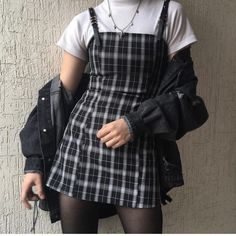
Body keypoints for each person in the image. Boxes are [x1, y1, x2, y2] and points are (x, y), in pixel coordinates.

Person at [21, 0, 198, 233]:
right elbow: (58, 98)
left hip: (139, 149)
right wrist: (34, 163)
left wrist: (135, 123)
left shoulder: (169, 13)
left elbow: (183, 91)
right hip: (81, 149)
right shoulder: (84, 21)